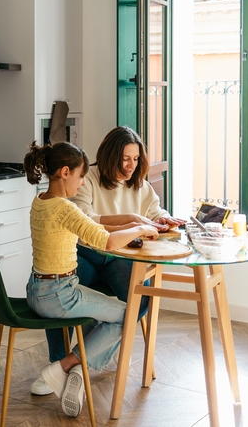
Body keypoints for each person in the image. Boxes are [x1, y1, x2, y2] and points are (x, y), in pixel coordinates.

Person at [31, 126, 186, 395]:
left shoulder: (140, 184)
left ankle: (79, 364)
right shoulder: (84, 178)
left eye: (136, 159)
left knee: (140, 301)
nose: (131, 165)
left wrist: (161, 219)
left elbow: (154, 210)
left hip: (117, 259)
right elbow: (87, 222)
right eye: (126, 158)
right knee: (70, 301)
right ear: (110, 156)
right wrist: (133, 221)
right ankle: (60, 364)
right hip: (87, 254)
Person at [22, 140, 159, 417]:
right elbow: (105, 241)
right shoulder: (65, 209)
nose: (83, 183)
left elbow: (92, 227)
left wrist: (133, 224)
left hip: (36, 290)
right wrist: (142, 228)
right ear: (64, 172)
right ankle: (65, 367)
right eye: (80, 175)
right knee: (127, 313)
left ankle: (75, 369)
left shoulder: (41, 202)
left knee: (106, 316)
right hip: (60, 295)